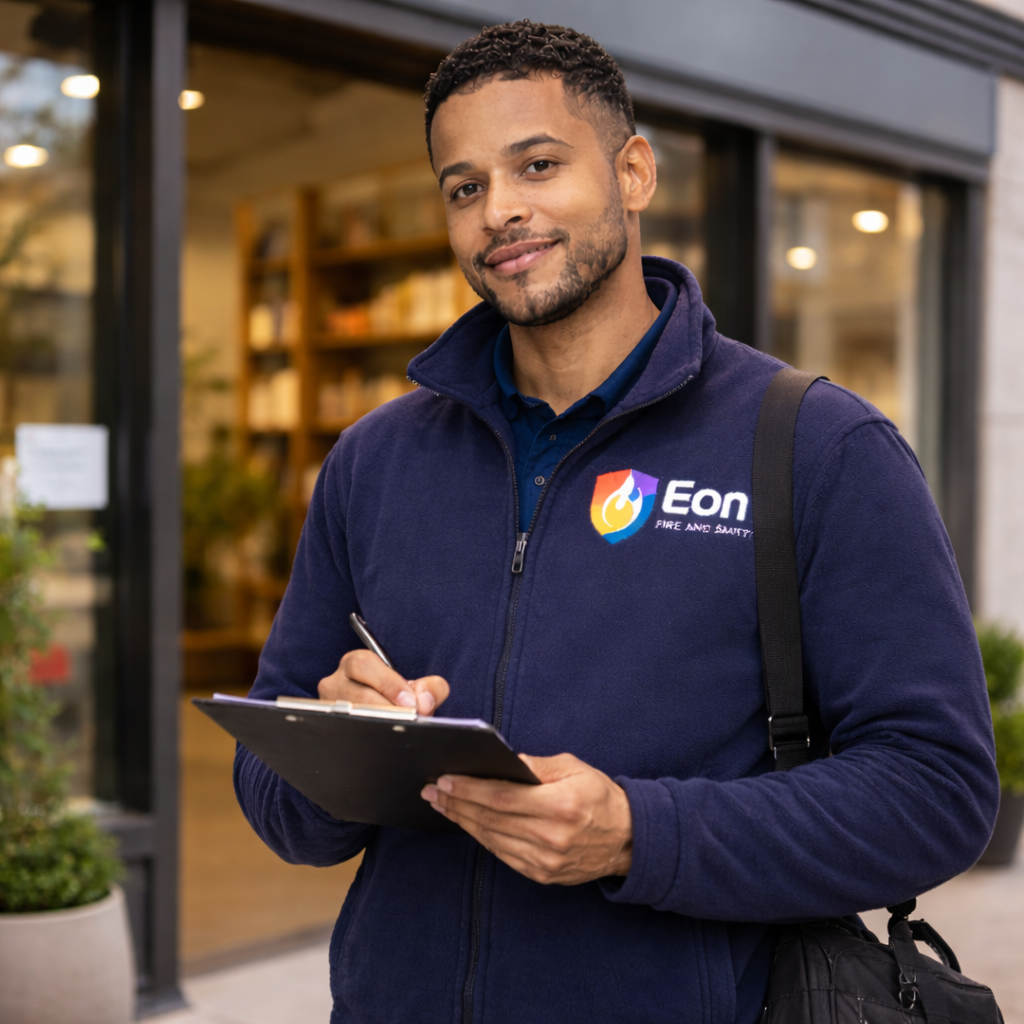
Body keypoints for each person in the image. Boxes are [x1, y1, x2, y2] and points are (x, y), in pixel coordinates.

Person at [235, 20, 999, 1024]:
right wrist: (339, 748)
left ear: (633, 172)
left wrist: (642, 832)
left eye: (538, 165)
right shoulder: (376, 461)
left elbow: (934, 790)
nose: (500, 211)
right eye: (464, 187)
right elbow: (273, 782)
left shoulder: (818, 447)